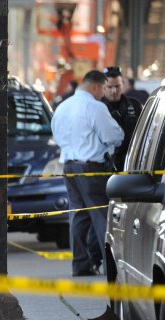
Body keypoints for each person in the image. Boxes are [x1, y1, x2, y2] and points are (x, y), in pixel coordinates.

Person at [50, 70, 123, 277]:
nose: (103, 95)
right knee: (101, 216)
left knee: (78, 217)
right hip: (91, 169)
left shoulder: (62, 107)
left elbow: (56, 136)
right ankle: (110, 268)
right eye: (103, 90)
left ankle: (80, 265)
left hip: (69, 166)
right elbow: (113, 136)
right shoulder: (94, 107)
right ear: (96, 87)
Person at [102, 66, 142, 171]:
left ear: (123, 85)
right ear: (103, 87)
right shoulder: (96, 108)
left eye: (117, 86)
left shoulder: (135, 105)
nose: (114, 91)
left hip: (131, 163)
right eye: (110, 87)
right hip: (105, 165)